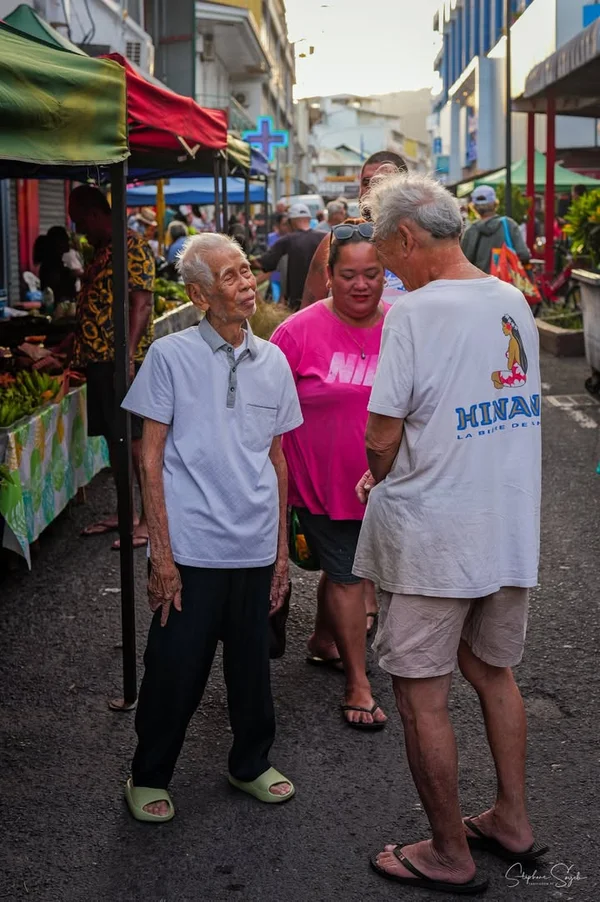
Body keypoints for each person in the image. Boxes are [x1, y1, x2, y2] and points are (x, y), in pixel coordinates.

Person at [351, 172, 545, 894]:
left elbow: (381, 432)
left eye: (380, 240)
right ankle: (513, 821)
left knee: (419, 693)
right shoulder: (508, 298)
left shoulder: (414, 313)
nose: (382, 257)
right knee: (493, 671)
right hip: (506, 521)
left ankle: (447, 852)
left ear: (406, 235)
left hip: (436, 528)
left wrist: (379, 471)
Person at [120, 233, 302, 822]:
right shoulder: (169, 356)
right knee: (174, 668)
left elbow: (277, 461)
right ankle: (148, 774)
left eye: (247, 269)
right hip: (192, 548)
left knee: (252, 668)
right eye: (230, 276)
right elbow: (150, 459)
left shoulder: (273, 360)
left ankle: (249, 762)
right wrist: (161, 556)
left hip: (252, 543)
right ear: (199, 294)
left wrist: (280, 556)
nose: (247, 281)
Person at [271, 221, 389, 730]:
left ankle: (324, 641)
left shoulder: (405, 325)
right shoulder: (295, 333)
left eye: (372, 274)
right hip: (321, 486)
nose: (360, 285)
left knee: (346, 569)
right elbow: (264, 411)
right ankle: (358, 684)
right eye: (348, 275)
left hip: (389, 486)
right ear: (328, 274)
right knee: (346, 573)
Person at [69, 185, 155, 549]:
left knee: (136, 443)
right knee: (116, 442)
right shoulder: (100, 250)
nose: (79, 229)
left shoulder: (131, 245)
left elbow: (141, 303)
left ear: (92, 213)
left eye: (79, 220)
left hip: (122, 361)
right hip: (99, 361)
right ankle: (125, 513)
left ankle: (149, 521)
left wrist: (129, 356)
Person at [301, 151, 409, 308]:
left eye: (382, 182)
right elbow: (309, 310)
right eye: (366, 182)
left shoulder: (420, 242)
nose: (372, 190)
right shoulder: (336, 240)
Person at [254, 203, 324, 311]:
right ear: (309, 219)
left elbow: (264, 263)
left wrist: (240, 262)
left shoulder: (287, 240)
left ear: (291, 222)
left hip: (296, 304)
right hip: (322, 300)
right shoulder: (325, 237)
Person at [461, 185, 530, 273]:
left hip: (479, 283)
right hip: (506, 283)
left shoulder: (470, 231)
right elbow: (524, 255)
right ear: (495, 203)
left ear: (474, 207)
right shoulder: (508, 224)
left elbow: (464, 263)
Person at [33, 226, 78, 302]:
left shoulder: (55, 263)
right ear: (58, 242)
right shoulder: (51, 265)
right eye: (66, 240)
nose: (68, 243)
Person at [267, 212, 290, 302]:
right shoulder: (270, 238)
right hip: (275, 278)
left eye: (288, 224)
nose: (286, 227)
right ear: (278, 225)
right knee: (277, 302)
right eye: (284, 224)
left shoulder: (293, 238)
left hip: (289, 279)